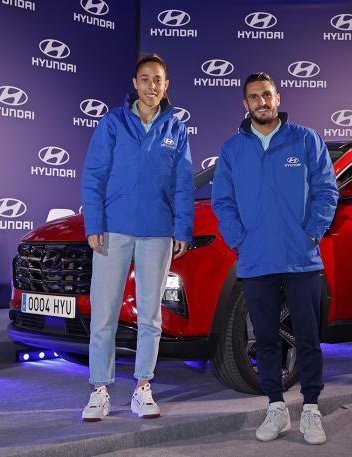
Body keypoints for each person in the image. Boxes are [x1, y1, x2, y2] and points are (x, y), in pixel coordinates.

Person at [211, 72, 338, 444]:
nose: (261, 102)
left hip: (301, 259)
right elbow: (222, 202)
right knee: (265, 339)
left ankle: (312, 408)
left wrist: (313, 232)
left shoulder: (305, 139)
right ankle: (276, 407)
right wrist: (241, 243)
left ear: (278, 98)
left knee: (308, 337)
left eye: (266, 95)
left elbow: (326, 190)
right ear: (245, 104)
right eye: (253, 97)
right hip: (256, 260)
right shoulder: (233, 149)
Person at [80, 54, 194, 421]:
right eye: (145, 79)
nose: (151, 86)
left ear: (166, 85)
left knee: (150, 315)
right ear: (134, 83)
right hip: (114, 229)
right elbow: (94, 174)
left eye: (158, 79)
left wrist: (182, 228)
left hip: (157, 232)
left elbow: (182, 185)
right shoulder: (113, 122)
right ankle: (100, 389)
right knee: (104, 313)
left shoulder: (176, 128)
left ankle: (143, 386)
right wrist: (93, 224)